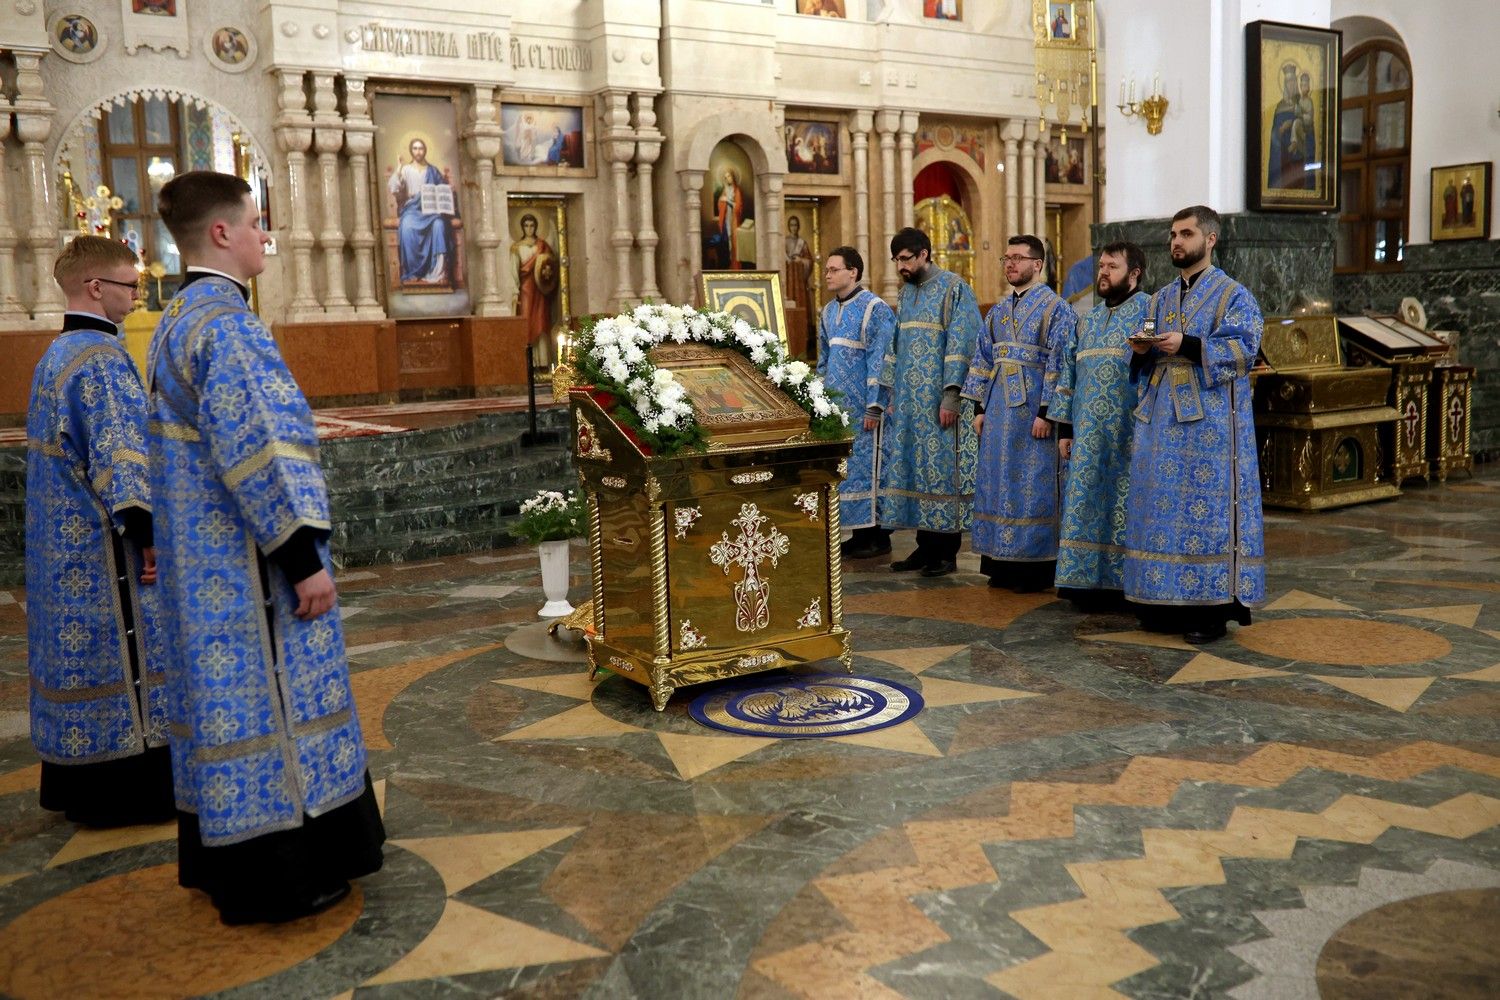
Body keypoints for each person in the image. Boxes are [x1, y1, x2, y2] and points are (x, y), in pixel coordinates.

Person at [147, 171, 384, 924]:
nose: (264, 236)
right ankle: (285, 878)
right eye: (254, 223)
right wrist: (302, 559)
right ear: (221, 233)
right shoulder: (228, 326)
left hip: (200, 567)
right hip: (249, 573)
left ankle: (232, 869)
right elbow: (260, 450)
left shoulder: (174, 320)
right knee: (273, 709)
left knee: (224, 714)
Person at [27, 235, 173, 828]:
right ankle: (130, 792)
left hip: (63, 547)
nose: (137, 297)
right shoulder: (102, 359)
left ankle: (80, 787)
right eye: (130, 286)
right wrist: (150, 535)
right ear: (95, 287)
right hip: (104, 548)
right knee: (124, 655)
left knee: (79, 660)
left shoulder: (56, 354)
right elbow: (122, 460)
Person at [1125, 205, 1265, 644]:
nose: (1176, 242)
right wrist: (1142, 350)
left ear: (1210, 239)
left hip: (1210, 429)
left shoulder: (1233, 296)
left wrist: (1186, 343)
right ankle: (1161, 602)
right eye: (1172, 235)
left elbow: (1244, 350)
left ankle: (1210, 610)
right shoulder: (1159, 298)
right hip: (1159, 422)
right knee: (1160, 510)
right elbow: (1145, 351)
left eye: (1186, 234)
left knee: (1205, 515)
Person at [961, 235, 1077, 592]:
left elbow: (1061, 363)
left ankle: (1034, 568)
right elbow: (982, 358)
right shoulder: (997, 311)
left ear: (1037, 264)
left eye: (1018, 258)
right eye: (1006, 258)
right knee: (999, 484)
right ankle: (1000, 563)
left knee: (1032, 484)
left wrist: (1047, 413)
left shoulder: (1057, 309)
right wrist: (979, 407)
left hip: (1033, 417)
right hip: (998, 414)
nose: (1010, 264)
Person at [1049, 241, 1151, 611]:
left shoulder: (1150, 311)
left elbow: (1156, 369)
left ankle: (1124, 584)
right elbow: (1069, 375)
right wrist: (1066, 430)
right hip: (1087, 433)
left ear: (1134, 273)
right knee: (1086, 502)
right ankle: (1084, 582)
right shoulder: (1087, 320)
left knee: (1124, 505)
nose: (1103, 273)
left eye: (1112, 267)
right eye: (1102, 266)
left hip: (1130, 432)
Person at [878, 226, 981, 577]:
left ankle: (946, 553)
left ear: (924, 254)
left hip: (940, 402)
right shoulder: (906, 293)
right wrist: (893, 393)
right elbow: (896, 343)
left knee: (941, 474)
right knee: (917, 472)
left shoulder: (954, 288)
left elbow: (963, 343)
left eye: (906, 259)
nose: (900, 266)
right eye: (896, 260)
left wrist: (951, 396)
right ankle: (924, 548)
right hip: (910, 403)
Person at [817, 246, 897, 559]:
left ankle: (878, 537)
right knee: (848, 471)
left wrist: (875, 405)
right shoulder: (827, 312)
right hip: (839, 411)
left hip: (867, 408)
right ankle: (860, 534)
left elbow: (882, 358)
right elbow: (824, 361)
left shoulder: (874, 308)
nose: (827, 275)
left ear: (853, 272)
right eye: (826, 269)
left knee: (871, 467)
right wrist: (820, 401)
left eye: (834, 269)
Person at [387, 137, 454, 285]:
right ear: (411, 151)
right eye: (415, 148)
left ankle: (438, 272)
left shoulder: (433, 171)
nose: (418, 152)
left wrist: (447, 191)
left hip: (431, 211)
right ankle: (413, 272)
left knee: (439, 225)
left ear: (425, 150)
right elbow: (394, 188)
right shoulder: (406, 169)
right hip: (412, 210)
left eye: (421, 148)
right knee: (406, 227)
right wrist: (399, 169)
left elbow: (442, 190)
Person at [511, 213, 556, 349]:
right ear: (522, 227)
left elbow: (550, 265)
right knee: (527, 321)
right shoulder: (517, 247)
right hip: (526, 290)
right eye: (526, 226)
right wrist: (515, 291)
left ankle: (543, 358)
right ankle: (529, 358)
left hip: (540, 290)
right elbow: (514, 270)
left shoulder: (542, 245)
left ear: (536, 227)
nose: (529, 229)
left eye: (532, 225)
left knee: (541, 321)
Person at [715, 167, 746, 270]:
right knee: (727, 241)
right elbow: (720, 203)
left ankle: (735, 266)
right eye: (725, 177)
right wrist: (722, 201)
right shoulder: (725, 190)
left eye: (729, 176)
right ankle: (729, 264)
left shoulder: (737, 190)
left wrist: (727, 200)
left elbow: (738, 206)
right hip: (726, 219)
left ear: (733, 176)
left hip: (734, 219)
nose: (727, 178)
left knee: (734, 243)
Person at [784, 215, 814, 306]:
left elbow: (809, 261)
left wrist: (800, 260)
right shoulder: (784, 241)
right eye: (791, 225)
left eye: (795, 225)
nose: (793, 228)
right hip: (788, 276)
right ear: (789, 226)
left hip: (799, 277)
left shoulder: (802, 243)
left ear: (798, 226)